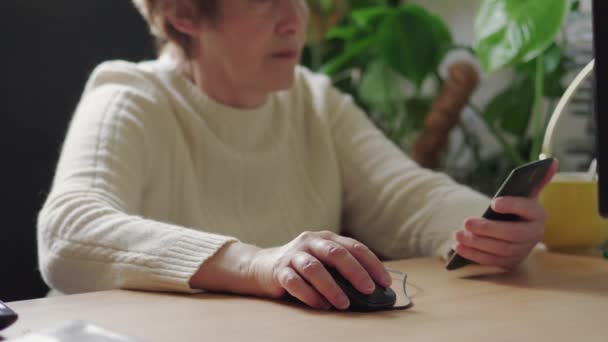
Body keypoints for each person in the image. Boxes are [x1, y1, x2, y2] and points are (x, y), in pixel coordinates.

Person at [37, 0, 557, 311]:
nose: (294, 20)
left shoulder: (314, 102)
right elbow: (68, 232)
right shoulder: (129, 96)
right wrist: (258, 264)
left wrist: (491, 232)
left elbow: (410, 199)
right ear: (182, 13)